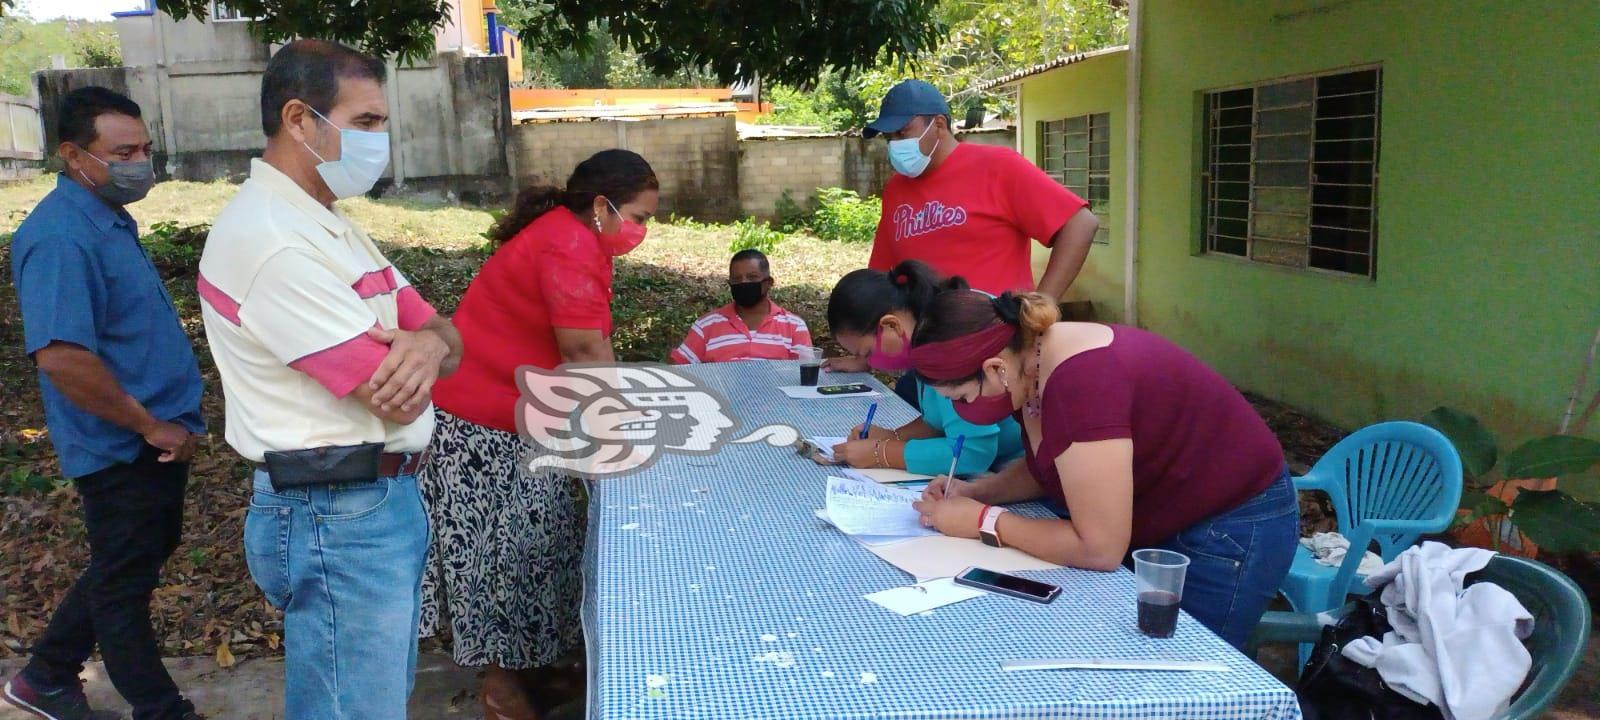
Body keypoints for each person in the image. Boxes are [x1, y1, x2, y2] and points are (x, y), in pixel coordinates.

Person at [196, 39, 463, 718]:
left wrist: (427, 348)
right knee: (353, 708)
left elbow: (447, 337)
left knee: (367, 699)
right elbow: (394, 395)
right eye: (366, 122)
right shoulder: (273, 241)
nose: (382, 139)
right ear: (298, 119)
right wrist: (424, 353)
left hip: (367, 502)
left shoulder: (324, 227)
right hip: (334, 509)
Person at [905, 290, 1299, 649]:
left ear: (993, 369)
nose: (963, 410)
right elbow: (1055, 463)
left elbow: (1099, 547)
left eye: (962, 396)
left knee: (1180, 666)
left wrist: (982, 520)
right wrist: (977, 491)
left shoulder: (1081, 382)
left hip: (1229, 524)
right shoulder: (1032, 361)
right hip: (1166, 510)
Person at [421, 149, 659, 720]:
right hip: (484, 430)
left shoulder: (577, 239)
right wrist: (620, 431)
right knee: (511, 561)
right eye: (640, 215)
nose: (643, 230)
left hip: (518, 418)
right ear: (602, 206)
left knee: (545, 548)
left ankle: (541, 672)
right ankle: (504, 691)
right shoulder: (567, 246)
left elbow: (594, 346)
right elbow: (582, 351)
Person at [5, 87, 204, 720]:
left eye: (144, 148)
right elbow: (62, 357)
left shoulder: (105, 219)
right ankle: (160, 708)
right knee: (124, 582)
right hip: (121, 441)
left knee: (132, 558)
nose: (141, 162)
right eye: (123, 151)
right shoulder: (61, 238)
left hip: (150, 436)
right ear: (72, 155)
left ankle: (46, 677)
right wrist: (149, 426)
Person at [825, 79, 1101, 401]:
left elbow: (1080, 223)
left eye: (902, 133)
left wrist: (1041, 307)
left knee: (986, 446)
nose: (895, 144)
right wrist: (866, 355)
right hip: (931, 364)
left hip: (997, 357)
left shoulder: (998, 167)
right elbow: (883, 284)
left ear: (938, 124)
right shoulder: (897, 190)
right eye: (889, 137)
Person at [823, 261, 1023, 477]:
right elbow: (939, 419)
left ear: (891, 325)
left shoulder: (947, 335)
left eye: (868, 353)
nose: (871, 363)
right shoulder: (927, 326)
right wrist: (894, 436)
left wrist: (881, 453)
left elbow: (970, 452)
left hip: (1023, 473)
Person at [669, 249, 813, 364]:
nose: (744, 283)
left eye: (752, 277)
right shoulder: (706, 325)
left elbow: (804, 374)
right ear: (730, 284)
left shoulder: (794, 327)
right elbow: (679, 370)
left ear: (769, 282)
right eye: (737, 279)